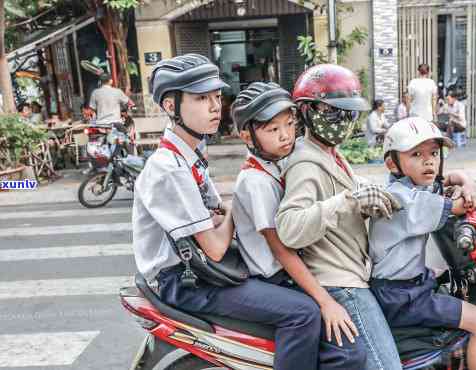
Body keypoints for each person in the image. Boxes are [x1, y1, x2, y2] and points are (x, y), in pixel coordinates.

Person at [132, 54, 323, 370]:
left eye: (216, 96)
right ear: (170, 106)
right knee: (303, 312)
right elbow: (216, 248)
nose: (213, 106)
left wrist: (227, 213)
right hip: (185, 281)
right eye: (200, 98)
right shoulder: (170, 168)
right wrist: (239, 204)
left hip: (197, 267)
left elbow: (212, 215)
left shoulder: (191, 154)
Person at [275, 63, 404, 370]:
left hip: (354, 274)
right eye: (333, 111)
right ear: (306, 112)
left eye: (349, 112)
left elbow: (349, 189)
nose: (344, 120)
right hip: (340, 284)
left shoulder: (330, 152)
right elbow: (290, 228)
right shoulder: (306, 162)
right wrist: (349, 200)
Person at [231, 81, 365, 369]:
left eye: (290, 124)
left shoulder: (275, 164)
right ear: (247, 135)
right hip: (276, 277)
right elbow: (282, 250)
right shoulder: (256, 181)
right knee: (347, 351)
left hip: (291, 274)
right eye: (273, 129)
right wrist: (326, 301)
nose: (286, 136)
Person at [369, 117, 476, 370]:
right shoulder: (402, 200)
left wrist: (466, 182)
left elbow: (452, 178)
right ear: (391, 163)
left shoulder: (412, 187)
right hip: (402, 297)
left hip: (404, 287)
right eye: (416, 154)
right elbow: (465, 204)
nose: (428, 160)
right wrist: (468, 191)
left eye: (434, 153)